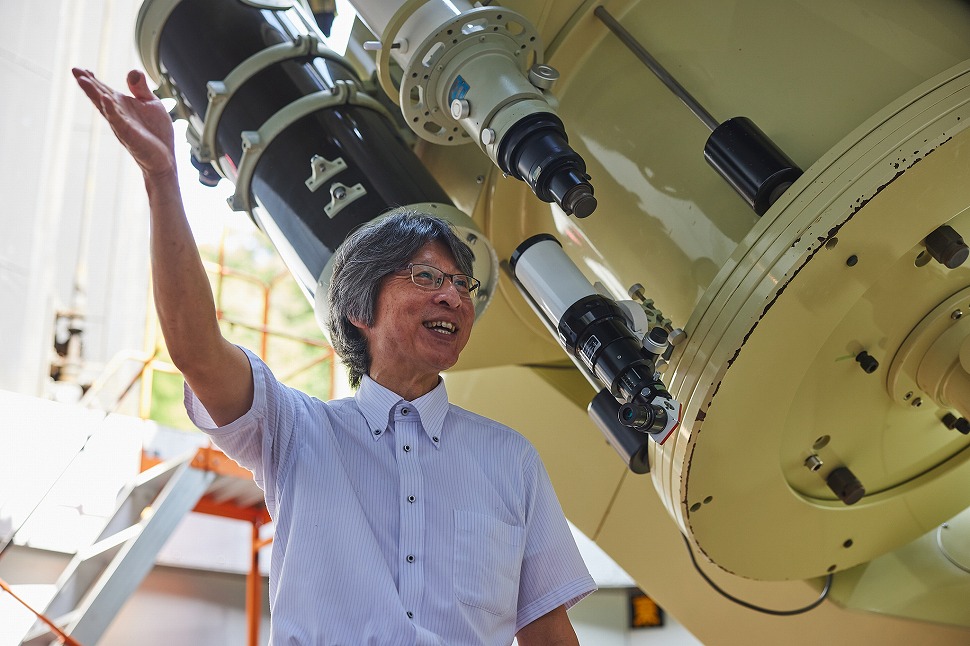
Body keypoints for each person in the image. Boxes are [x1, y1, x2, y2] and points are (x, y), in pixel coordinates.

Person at [72, 67, 596, 645]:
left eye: (460, 284)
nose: (451, 294)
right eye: (424, 276)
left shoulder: (512, 460)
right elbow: (197, 354)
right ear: (359, 310)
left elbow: (547, 629)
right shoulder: (296, 432)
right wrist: (161, 179)